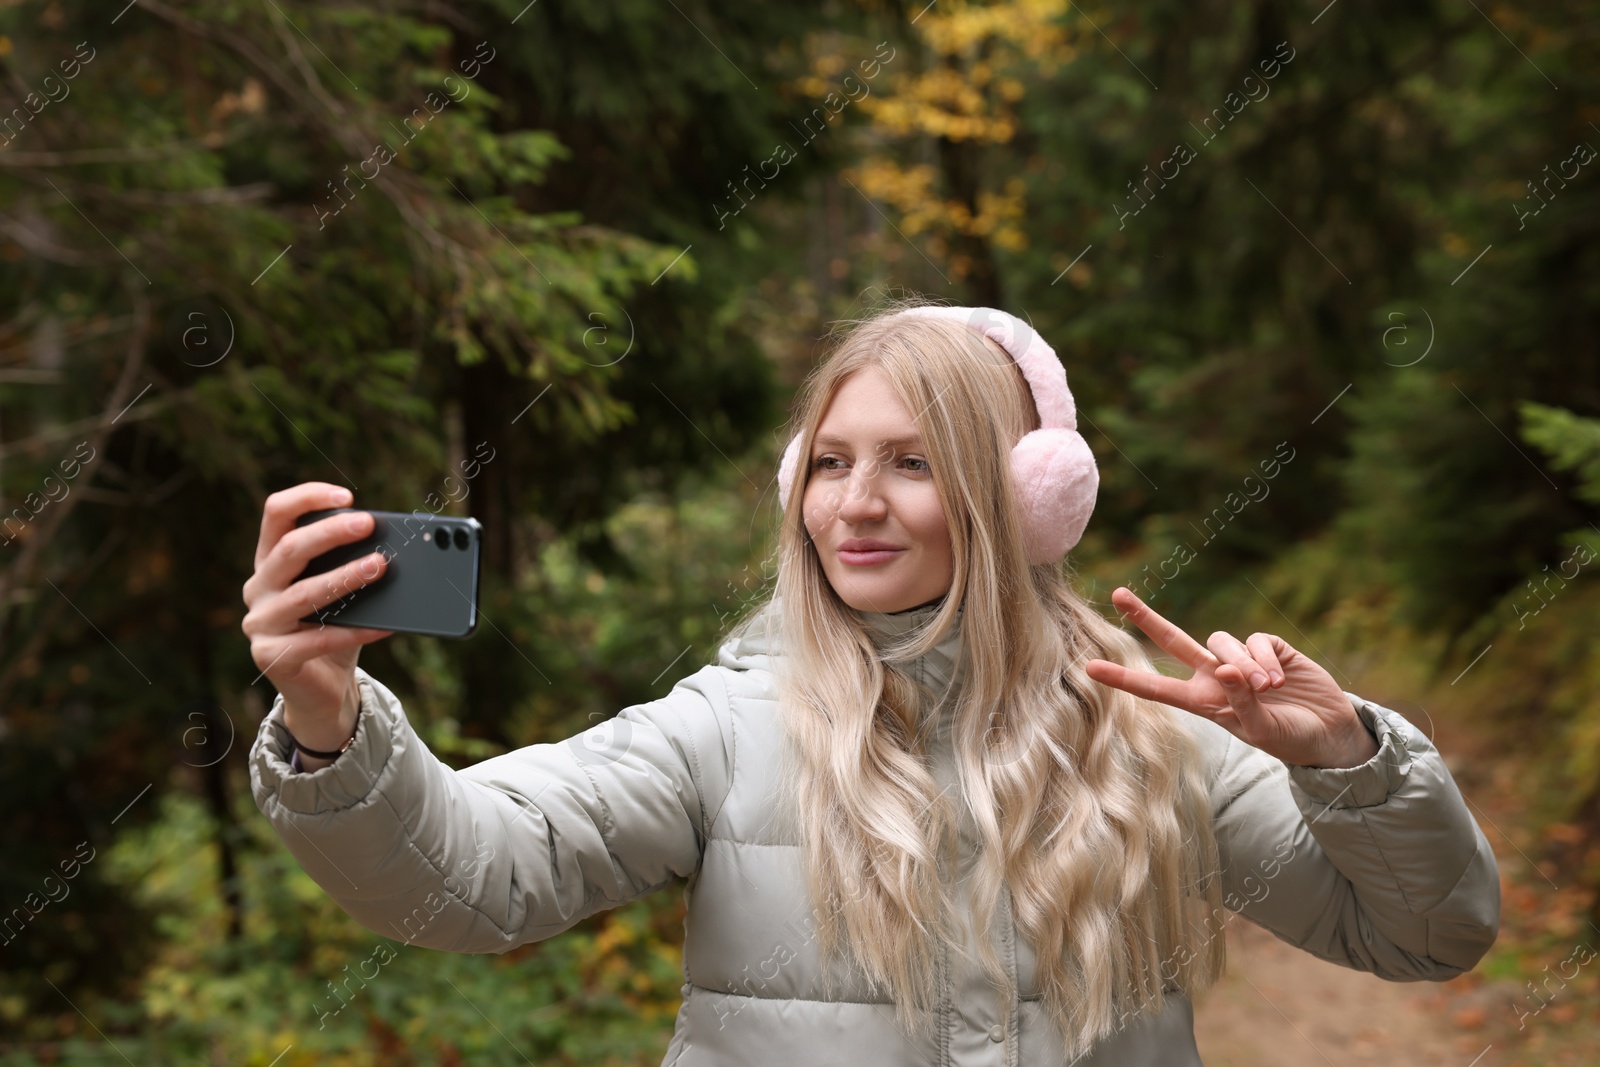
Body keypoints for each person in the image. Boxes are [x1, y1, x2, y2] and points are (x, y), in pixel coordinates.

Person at [242, 301, 1501, 1066]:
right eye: (831, 459)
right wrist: (329, 719)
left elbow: (1429, 930)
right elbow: (474, 878)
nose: (853, 502)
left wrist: (1346, 762)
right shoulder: (730, 721)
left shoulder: (1151, 731)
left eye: (909, 460)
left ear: (1022, 499)